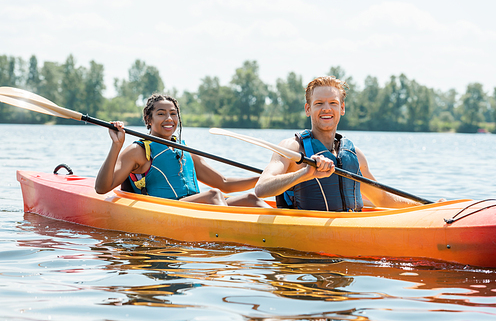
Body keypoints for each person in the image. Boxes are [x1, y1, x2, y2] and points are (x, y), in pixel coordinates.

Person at [254, 76, 422, 211]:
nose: (326, 108)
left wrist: (429, 207)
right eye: (319, 103)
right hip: (304, 233)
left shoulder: (355, 154)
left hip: (348, 231)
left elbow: (382, 198)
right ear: (307, 109)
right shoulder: (292, 148)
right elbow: (261, 189)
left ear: (342, 108)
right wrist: (305, 174)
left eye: (333, 103)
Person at [95, 93, 269, 208]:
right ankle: (229, 233)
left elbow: (224, 183)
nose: (169, 118)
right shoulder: (138, 151)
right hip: (168, 210)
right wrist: (116, 145)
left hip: (195, 207)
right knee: (214, 195)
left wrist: (265, 178)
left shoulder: (186, 150)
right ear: (149, 119)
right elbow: (102, 188)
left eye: (173, 113)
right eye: (161, 114)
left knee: (251, 199)